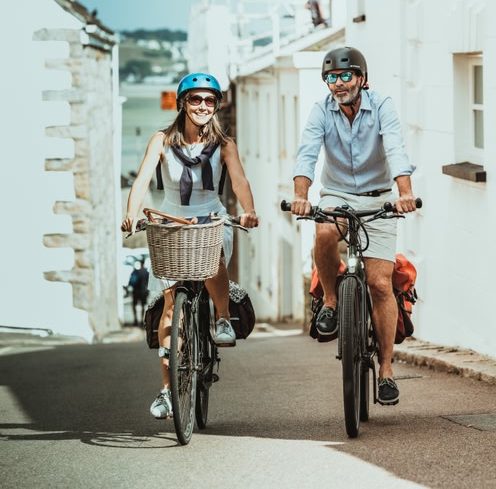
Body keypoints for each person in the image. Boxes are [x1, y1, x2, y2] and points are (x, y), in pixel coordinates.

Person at [120, 72, 259, 419]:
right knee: (171, 306)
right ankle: (167, 391)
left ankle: (222, 318)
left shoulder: (225, 145)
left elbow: (239, 180)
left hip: (210, 215)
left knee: (214, 258)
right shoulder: (162, 141)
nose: (202, 106)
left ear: (216, 105)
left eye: (209, 100)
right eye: (195, 99)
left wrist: (248, 210)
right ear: (183, 103)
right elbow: (141, 180)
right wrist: (131, 215)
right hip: (171, 218)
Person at [291, 46, 417, 406]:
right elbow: (307, 153)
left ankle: (386, 370)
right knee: (324, 232)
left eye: (346, 76)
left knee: (379, 284)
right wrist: (300, 196)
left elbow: (395, 148)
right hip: (338, 195)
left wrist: (404, 192)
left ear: (361, 78)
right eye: (331, 77)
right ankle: (331, 301)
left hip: (379, 198)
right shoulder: (321, 111)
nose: (339, 83)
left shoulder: (382, 106)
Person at [126, 257, 150, 327]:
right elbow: (149, 283)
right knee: (143, 305)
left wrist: (129, 288)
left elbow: (131, 281)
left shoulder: (135, 272)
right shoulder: (146, 272)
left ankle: (135, 319)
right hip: (144, 291)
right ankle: (142, 321)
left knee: (134, 305)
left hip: (136, 291)